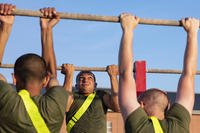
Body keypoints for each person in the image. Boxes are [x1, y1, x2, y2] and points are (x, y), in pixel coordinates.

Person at [118, 13, 199, 132]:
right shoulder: (179, 125)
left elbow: (125, 74)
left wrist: (128, 29)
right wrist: (193, 32)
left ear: (141, 104)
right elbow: (189, 74)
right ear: (168, 107)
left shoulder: (138, 126)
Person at [0, 4, 68, 133]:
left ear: (14, 78)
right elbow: (53, 75)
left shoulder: (6, 99)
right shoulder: (56, 102)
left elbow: (50, 75)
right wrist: (46, 29)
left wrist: (5, 27)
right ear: (45, 79)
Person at [61, 64, 120, 133]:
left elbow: (118, 106)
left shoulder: (101, 95)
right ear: (76, 86)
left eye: (90, 78)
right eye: (81, 78)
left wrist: (113, 76)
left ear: (95, 85)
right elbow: (63, 106)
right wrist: (69, 75)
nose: (85, 80)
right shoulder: (72, 96)